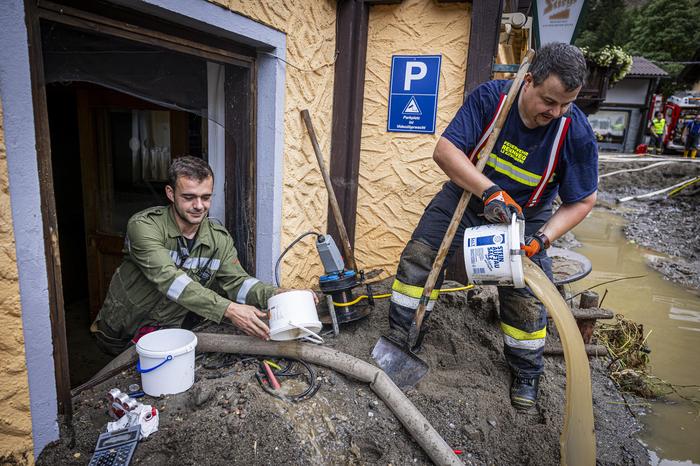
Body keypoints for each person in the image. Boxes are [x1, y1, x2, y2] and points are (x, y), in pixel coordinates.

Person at [386, 43, 597, 411]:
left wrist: (542, 238)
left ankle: (527, 372)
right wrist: (490, 191)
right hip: (469, 194)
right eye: (549, 101)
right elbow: (446, 151)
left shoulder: (574, 131)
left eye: (567, 104)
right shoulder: (490, 99)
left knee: (526, 295)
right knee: (421, 257)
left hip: (527, 214)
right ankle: (404, 335)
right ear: (528, 81)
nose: (557, 112)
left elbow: (583, 201)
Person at [91, 156, 308, 355]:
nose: (198, 206)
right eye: (189, 197)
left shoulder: (218, 239)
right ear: (170, 193)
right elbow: (170, 280)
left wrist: (277, 294)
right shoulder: (145, 226)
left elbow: (238, 283)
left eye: (206, 197)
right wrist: (229, 309)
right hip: (120, 332)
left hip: (164, 335)